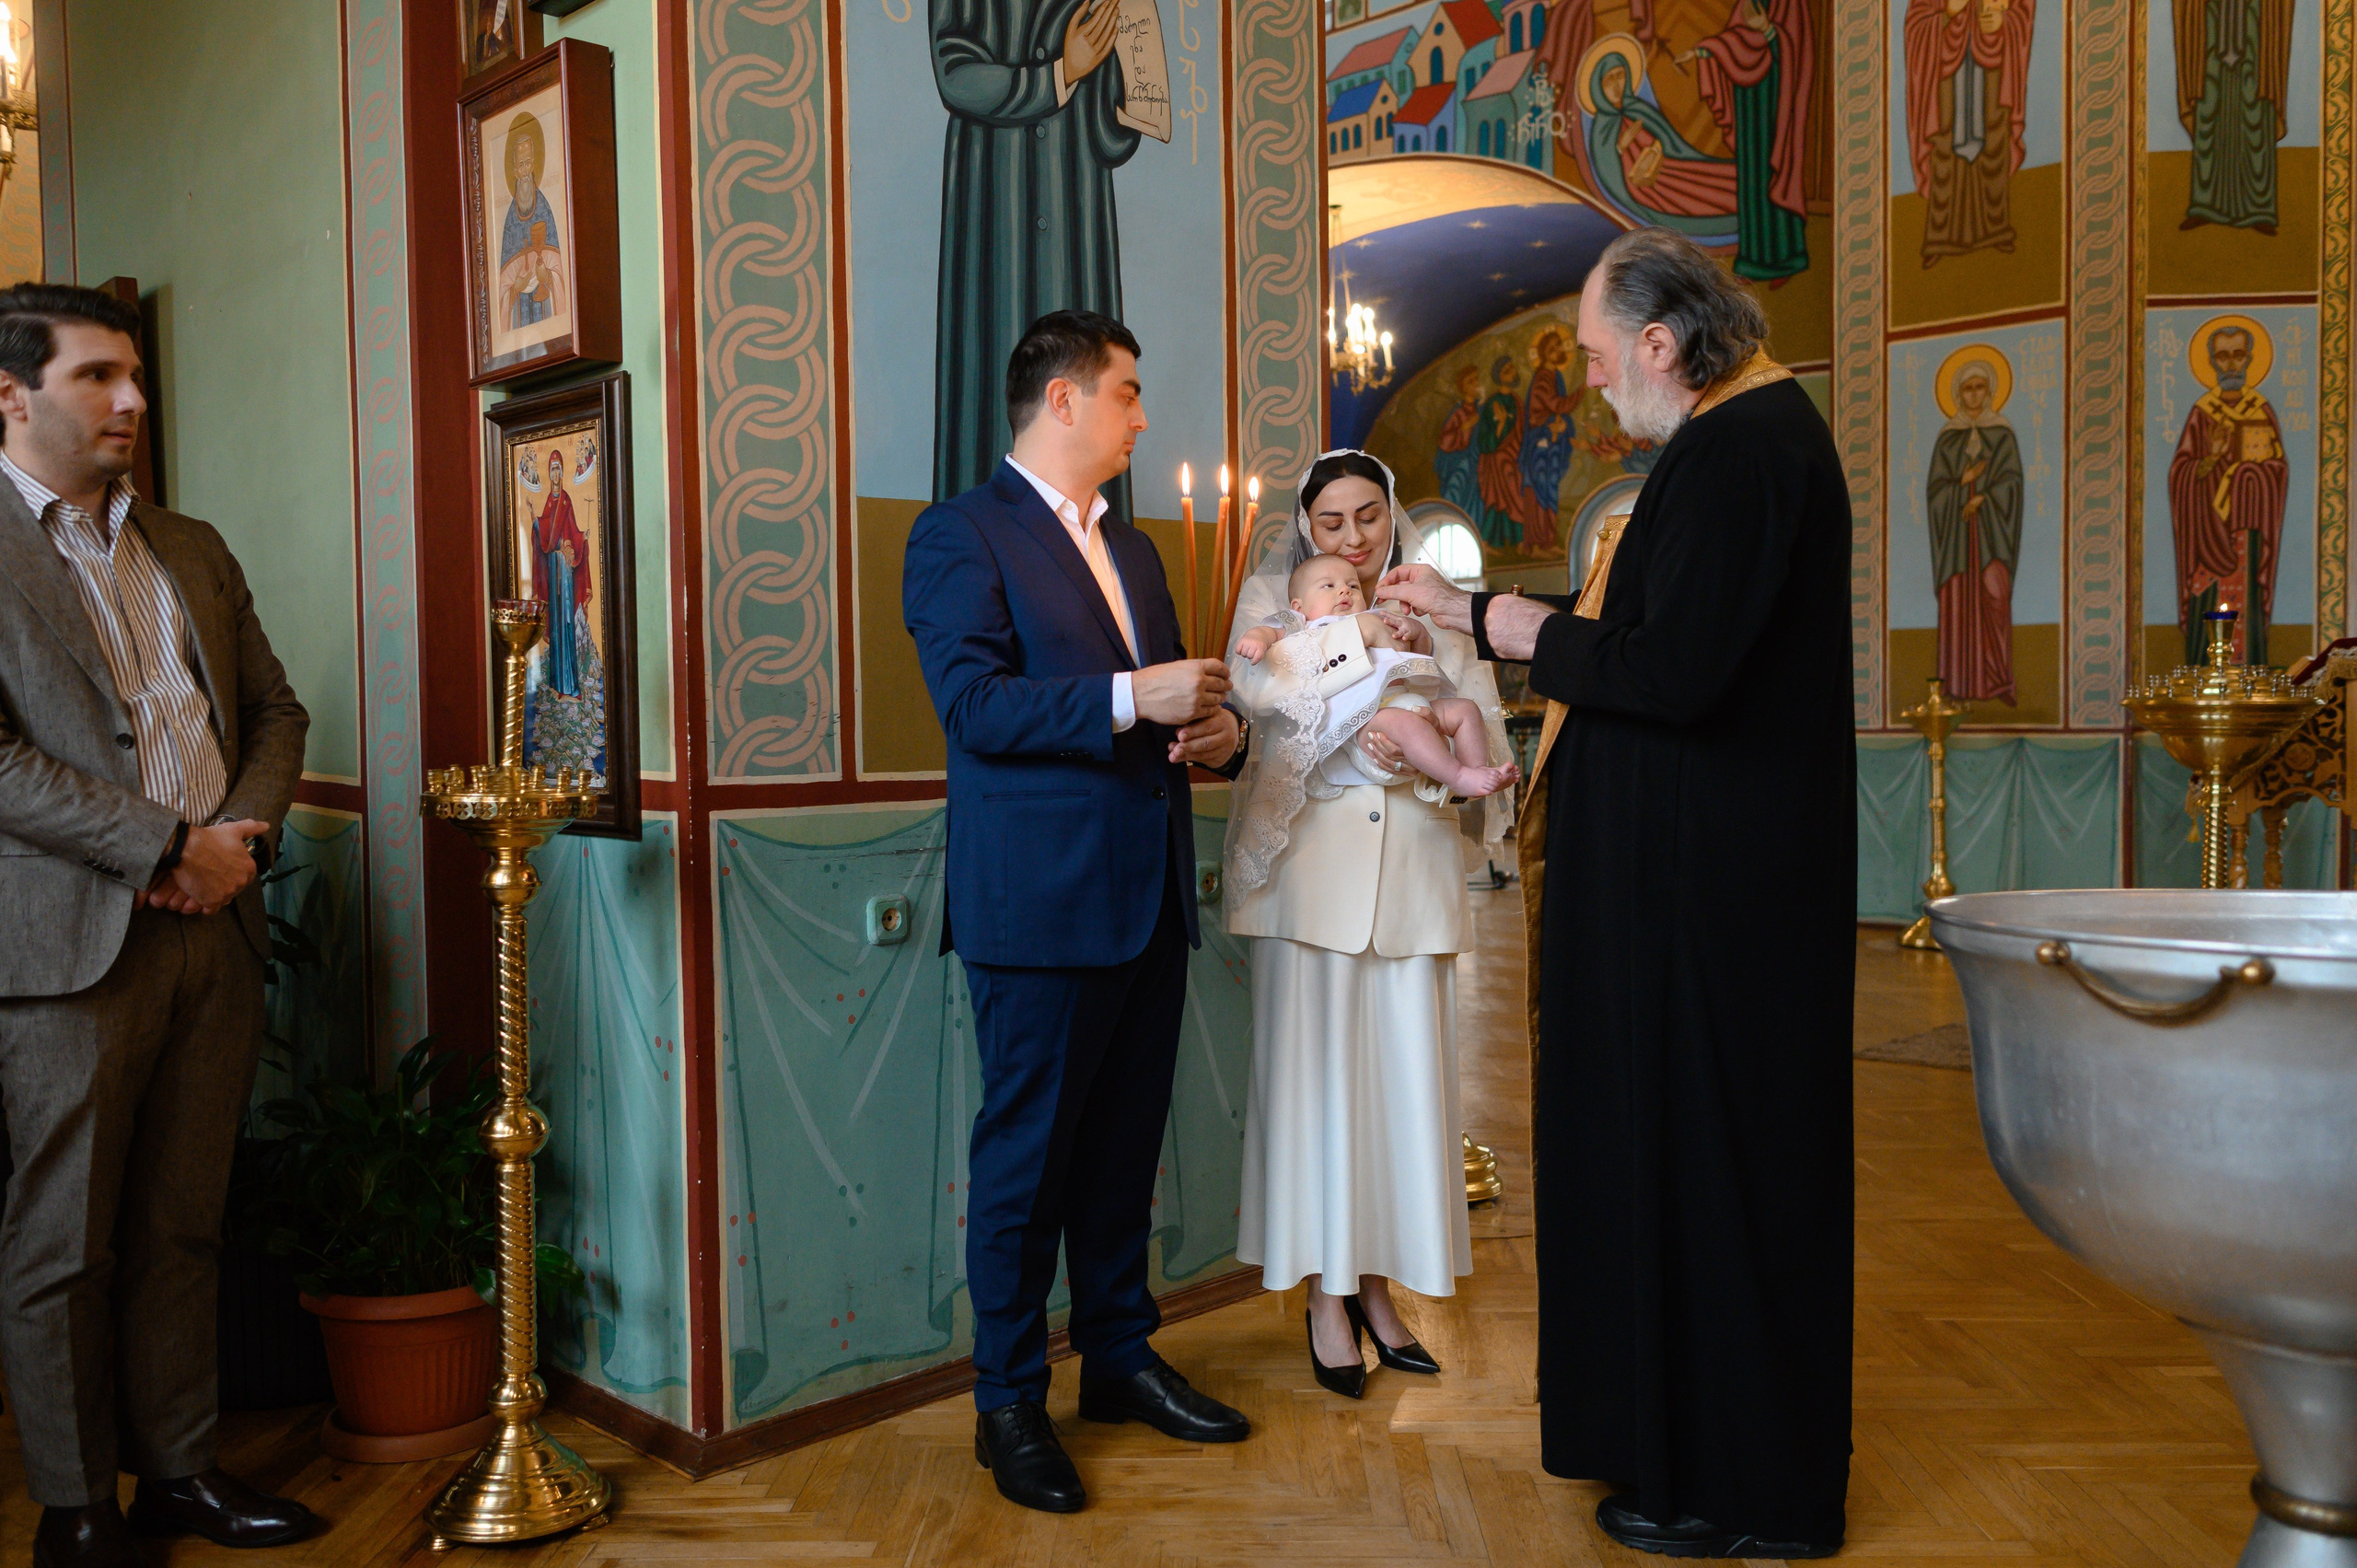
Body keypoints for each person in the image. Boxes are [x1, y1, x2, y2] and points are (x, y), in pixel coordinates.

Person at [1380, 226, 1855, 1557]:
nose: (1589, 384)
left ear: (1661, 341)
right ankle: (1683, 1447)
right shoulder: (1729, 445)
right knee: (1688, 1169)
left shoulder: (1742, 450)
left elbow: (1671, 671)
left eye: (1596, 357)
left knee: (1717, 1174)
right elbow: (1649, 630)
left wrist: (1495, 623)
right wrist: (1500, 612)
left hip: (1711, 910)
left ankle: (1738, 1480)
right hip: (1697, 897)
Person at [902, 309, 1249, 1515]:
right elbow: (977, 708)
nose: (1143, 416)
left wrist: (1212, 729)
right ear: (1062, 400)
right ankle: (1008, 1403)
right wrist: (1129, 691)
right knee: (1026, 1167)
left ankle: (1117, 1356)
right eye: (1128, 392)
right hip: (1037, 912)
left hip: (1147, 896)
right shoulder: (959, 534)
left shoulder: (1139, 552)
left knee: (1119, 1154)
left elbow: (1153, 722)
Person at [0, 284, 316, 1566]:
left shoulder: (189, 544)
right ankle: (78, 1509)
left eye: (133, 373)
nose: (131, 398)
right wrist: (159, 843)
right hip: (70, 950)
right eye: (95, 376)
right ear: (12, 394)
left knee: (187, 1222)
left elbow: (277, 712)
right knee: (64, 1239)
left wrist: (230, 844)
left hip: (212, 934)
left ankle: (181, 1470)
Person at [1221, 449, 1512, 1402]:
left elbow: (1483, 735)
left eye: (1368, 518)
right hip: (1310, 885)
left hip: (1413, 880)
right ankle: (1323, 1296)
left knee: (1400, 1102)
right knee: (1316, 1102)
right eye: (1332, 521)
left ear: (1392, 515)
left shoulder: (1436, 599)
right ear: (1307, 524)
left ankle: (1381, 1293)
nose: (1353, 537)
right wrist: (1353, 635)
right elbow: (1268, 702)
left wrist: (1415, 758)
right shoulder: (1276, 594)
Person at [1231, 553, 1517, 800]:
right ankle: (1458, 777)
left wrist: (1414, 632)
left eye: (1352, 586)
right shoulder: (1303, 626)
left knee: (1465, 709)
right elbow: (1272, 634)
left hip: (1406, 699)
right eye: (1329, 586)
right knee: (1405, 725)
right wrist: (1257, 638)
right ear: (1298, 606)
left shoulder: (1378, 616)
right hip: (1367, 719)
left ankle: (1476, 769)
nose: (1344, 592)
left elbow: (1418, 660)